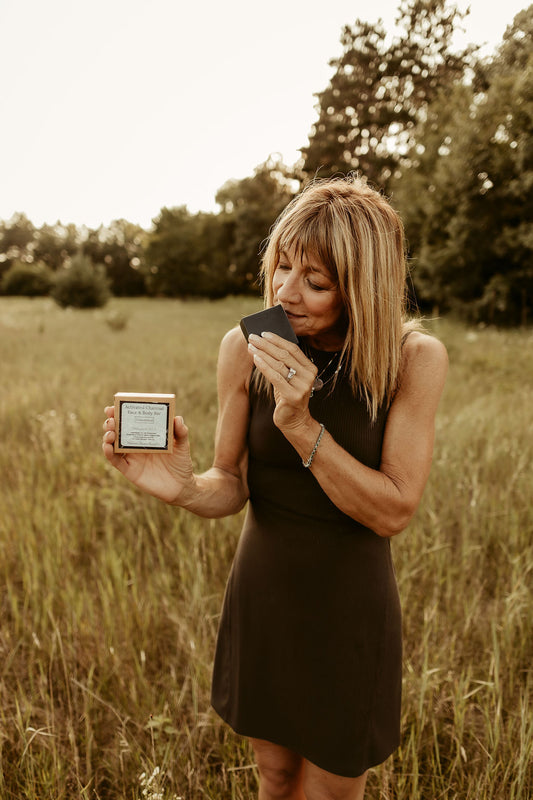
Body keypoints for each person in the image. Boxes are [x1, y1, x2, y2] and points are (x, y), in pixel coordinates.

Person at [102, 175, 448, 800]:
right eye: (282, 267)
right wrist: (183, 487)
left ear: (362, 288)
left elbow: (394, 509)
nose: (286, 293)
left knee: (327, 791)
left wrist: (298, 422)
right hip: (265, 593)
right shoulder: (245, 344)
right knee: (274, 778)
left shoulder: (413, 360)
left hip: (349, 607)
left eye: (315, 282)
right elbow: (229, 483)